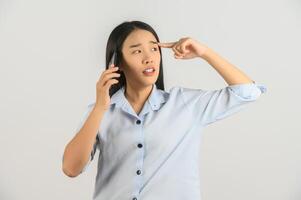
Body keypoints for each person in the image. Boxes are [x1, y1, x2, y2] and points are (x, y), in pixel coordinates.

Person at [62, 20, 267, 200]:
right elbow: (71, 169)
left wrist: (204, 53)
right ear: (117, 63)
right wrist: (100, 108)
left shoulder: (184, 104)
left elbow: (248, 92)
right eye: (137, 51)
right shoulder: (100, 112)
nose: (149, 57)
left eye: (153, 49)